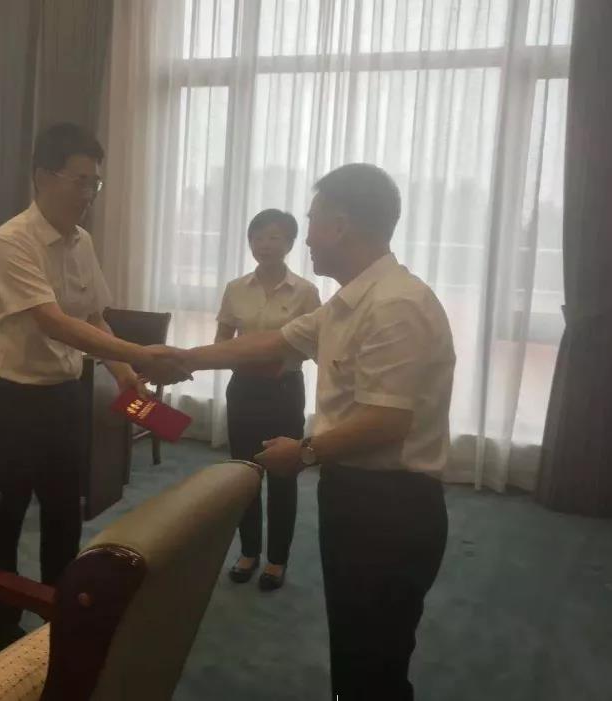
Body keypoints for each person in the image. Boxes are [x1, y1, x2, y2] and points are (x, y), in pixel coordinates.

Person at [167, 164, 454, 700]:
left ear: (340, 226)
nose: (307, 236)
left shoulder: (395, 304)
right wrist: (183, 359)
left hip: (391, 507)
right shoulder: (347, 302)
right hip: (352, 493)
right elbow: (272, 342)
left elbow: (387, 421)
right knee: (352, 641)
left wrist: (303, 451)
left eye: (313, 220)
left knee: (376, 656)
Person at [0, 122, 189, 654]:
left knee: (63, 513)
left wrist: (127, 374)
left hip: (63, 398)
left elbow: (94, 318)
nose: (90, 193)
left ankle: (57, 616)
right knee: (5, 517)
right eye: (80, 180)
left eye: (96, 182)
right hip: (10, 401)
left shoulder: (82, 241)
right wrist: (143, 354)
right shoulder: (11, 240)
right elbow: (53, 322)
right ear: (43, 176)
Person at [218, 209, 321, 591]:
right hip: (243, 388)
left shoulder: (306, 292)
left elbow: (316, 343)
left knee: (282, 472)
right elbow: (222, 341)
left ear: (290, 243)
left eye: (275, 237)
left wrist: (282, 360)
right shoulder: (235, 288)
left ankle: (277, 559)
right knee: (243, 473)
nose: (265, 244)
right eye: (258, 237)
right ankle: (248, 552)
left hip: (284, 391)